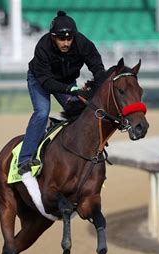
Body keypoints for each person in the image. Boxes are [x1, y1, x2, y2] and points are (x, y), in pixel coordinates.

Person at [18, 10, 106, 175]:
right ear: (52, 37)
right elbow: (46, 81)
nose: (66, 42)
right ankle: (24, 159)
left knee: (80, 112)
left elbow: (97, 67)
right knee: (42, 112)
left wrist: (99, 85)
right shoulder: (43, 46)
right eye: (61, 39)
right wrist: (70, 89)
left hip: (66, 83)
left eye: (69, 38)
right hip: (40, 80)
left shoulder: (82, 43)